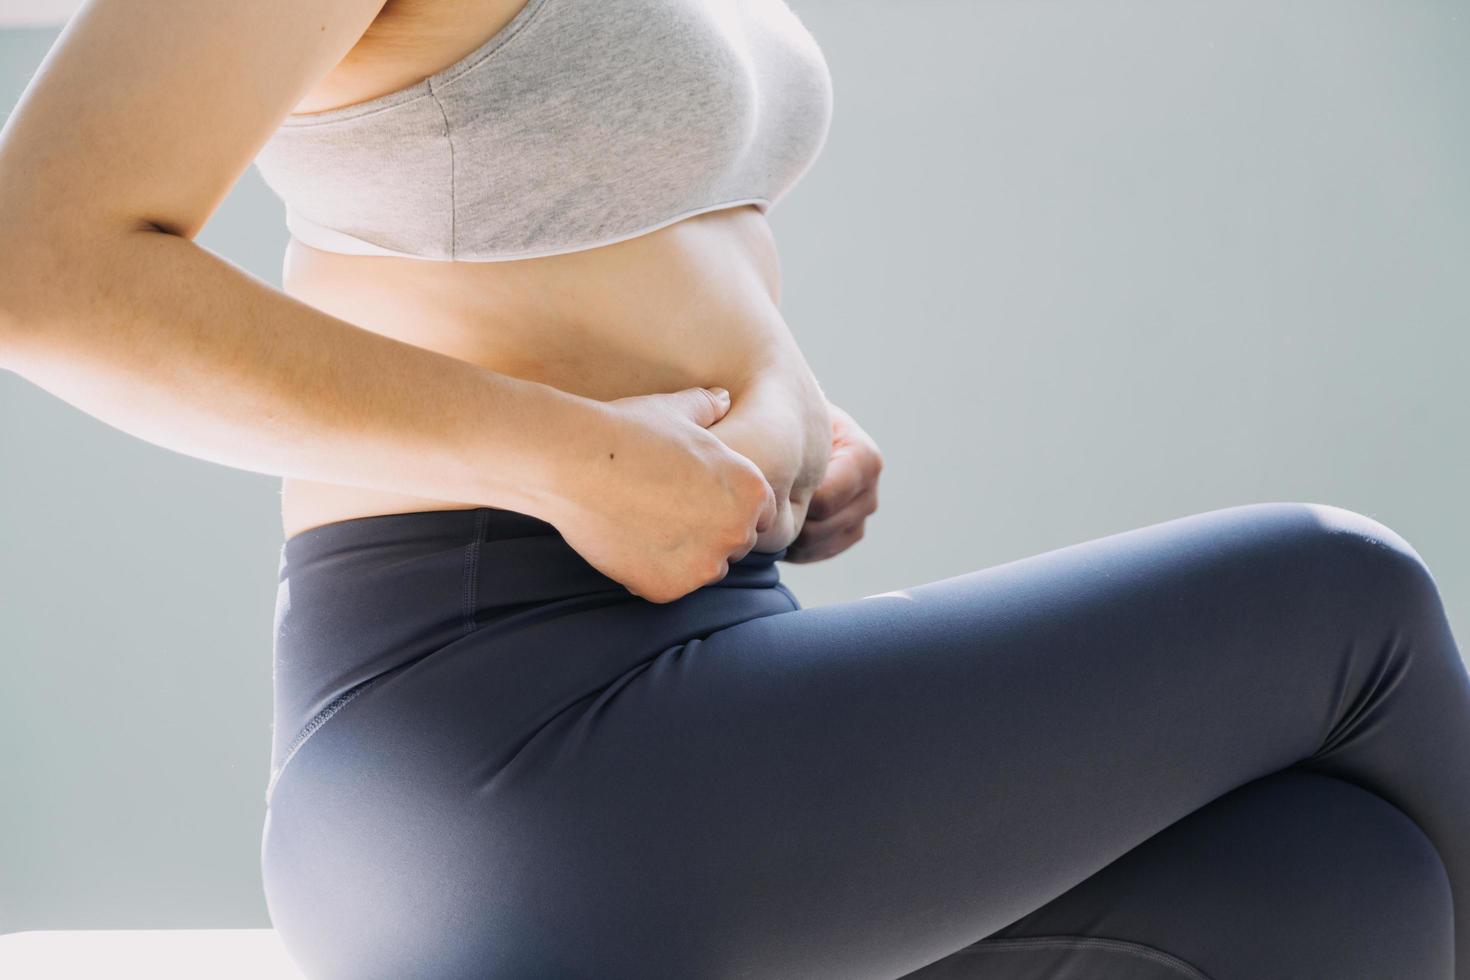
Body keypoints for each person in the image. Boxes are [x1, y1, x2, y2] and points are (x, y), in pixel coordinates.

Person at [0, 1, 1465, 977]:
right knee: (1347, 598)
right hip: (491, 741)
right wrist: (571, 458)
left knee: (1337, 893)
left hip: (707, 664)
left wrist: (789, 424)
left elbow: (590, 239)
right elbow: (45, 273)